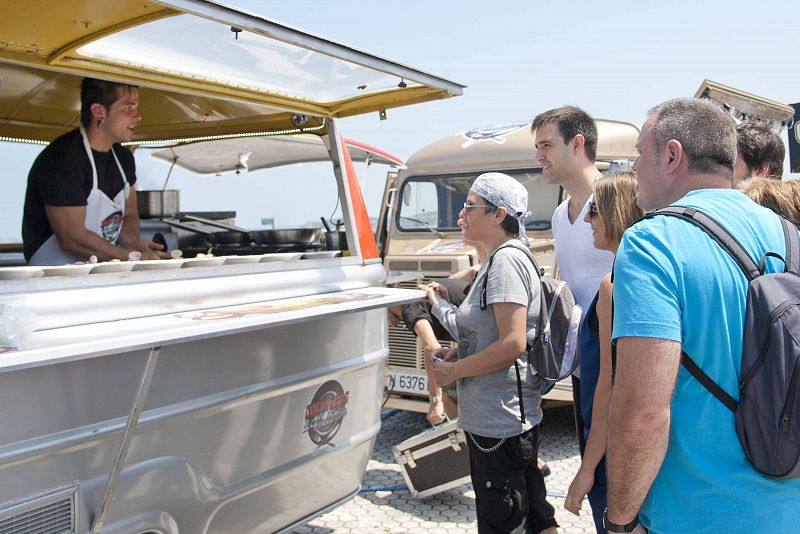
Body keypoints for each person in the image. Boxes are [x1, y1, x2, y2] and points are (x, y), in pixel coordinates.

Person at [606, 97, 800, 534]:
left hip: (698, 514)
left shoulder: (652, 242)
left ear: (672, 155)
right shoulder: (788, 232)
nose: (633, 166)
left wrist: (619, 521)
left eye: (640, 152)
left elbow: (642, 410)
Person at [432, 172, 558, 534]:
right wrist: (460, 353)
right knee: (535, 514)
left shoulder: (505, 262)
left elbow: (512, 343)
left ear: (498, 214)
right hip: (505, 416)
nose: (461, 215)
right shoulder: (501, 259)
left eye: (470, 206)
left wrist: (455, 372)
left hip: (499, 420)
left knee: (504, 520)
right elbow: (495, 336)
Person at [563, 172, 643, 533]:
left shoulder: (613, 285)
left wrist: (586, 469)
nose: (588, 219)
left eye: (594, 209)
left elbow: (610, 387)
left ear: (616, 212)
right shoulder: (645, 275)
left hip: (613, 449)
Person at [532, 106, 614, 454]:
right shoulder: (557, 215)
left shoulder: (615, 201)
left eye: (547, 146)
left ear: (577, 143)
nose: (539, 156)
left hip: (617, 361)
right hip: (582, 365)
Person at [22, 77, 168, 265]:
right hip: (52, 274)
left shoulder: (123, 159)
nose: (138, 116)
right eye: (128, 108)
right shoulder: (64, 158)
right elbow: (71, 237)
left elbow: (129, 214)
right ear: (99, 111)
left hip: (99, 271)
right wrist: (129, 257)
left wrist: (133, 244)